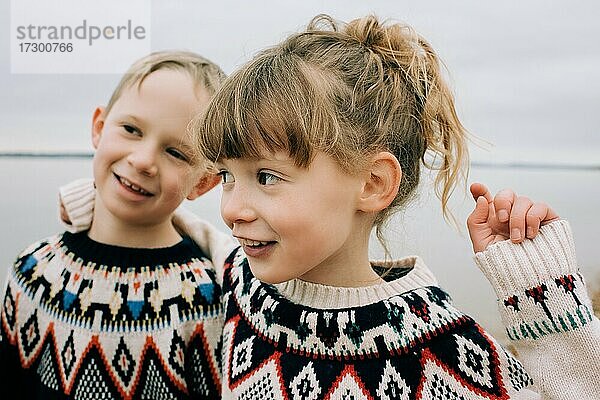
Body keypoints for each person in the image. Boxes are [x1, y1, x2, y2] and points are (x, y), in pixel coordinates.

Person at [55, 15, 600, 399]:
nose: (235, 208)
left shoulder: (439, 351)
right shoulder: (247, 278)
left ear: (374, 183)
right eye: (226, 177)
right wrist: (96, 207)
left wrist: (539, 288)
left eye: (267, 177)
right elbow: (191, 227)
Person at [0, 51, 230, 399]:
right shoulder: (31, 273)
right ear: (98, 127)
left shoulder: (205, 299)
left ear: (203, 182)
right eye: (131, 129)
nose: (142, 160)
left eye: (176, 153)